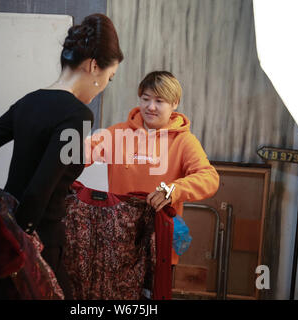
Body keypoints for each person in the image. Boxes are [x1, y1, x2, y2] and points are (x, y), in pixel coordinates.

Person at [0, 13, 123, 298]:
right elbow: (40, 188)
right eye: (109, 77)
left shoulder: (29, 102)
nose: (104, 87)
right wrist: (24, 238)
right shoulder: (79, 114)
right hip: (40, 241)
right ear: (94, 66)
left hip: (8, 236)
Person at [86, 71, 219, 265]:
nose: (151, 107)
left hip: (159, 243)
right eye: (145, 99)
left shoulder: (184, 141)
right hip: (117, 238)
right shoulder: (118, 133)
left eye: (159, 101)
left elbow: (209, 178)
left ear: (175, 103)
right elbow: (83, 152)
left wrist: (173, 190)